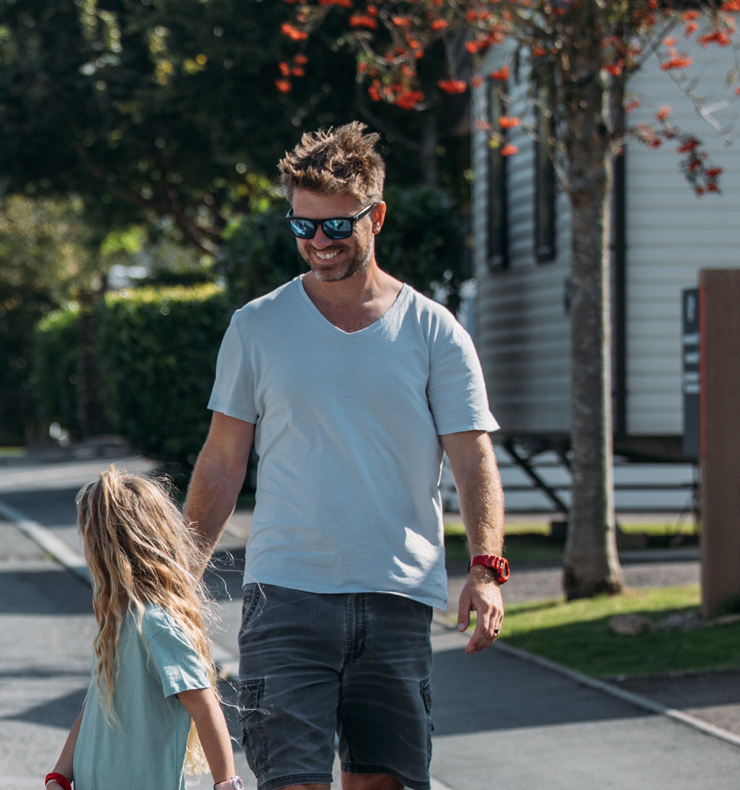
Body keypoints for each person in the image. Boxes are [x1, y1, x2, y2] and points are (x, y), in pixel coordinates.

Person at [182, 122, 509, 790]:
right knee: (291, 781)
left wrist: (485, 569)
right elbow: (221, 462)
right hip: (286, 596)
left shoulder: (432, 332)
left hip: (395, 596)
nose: (318, 244)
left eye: (335, 228)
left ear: (375, 216)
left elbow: (473, 460)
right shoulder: (257, 327)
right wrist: (178, 574)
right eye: (302, 228)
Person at [44, 469, 244, 790]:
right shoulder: (117, 623)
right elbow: (96, 708)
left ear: (106, 548)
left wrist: (226, 784)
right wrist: (59, 775)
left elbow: (205, 707)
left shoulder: (155, 623)